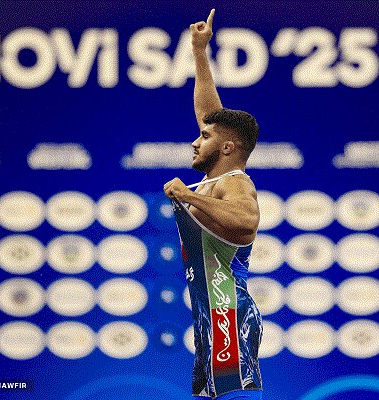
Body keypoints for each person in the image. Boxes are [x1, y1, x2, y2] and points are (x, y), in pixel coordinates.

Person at [163, 9, 263, 400]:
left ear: (226, 149)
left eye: (204, 138)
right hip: (211, 321)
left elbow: (247, 222)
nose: (195, 140)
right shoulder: (214, 178)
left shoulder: (235, 183)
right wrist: (199, 52)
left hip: (229, 319)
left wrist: (187, 196)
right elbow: (208, 114)